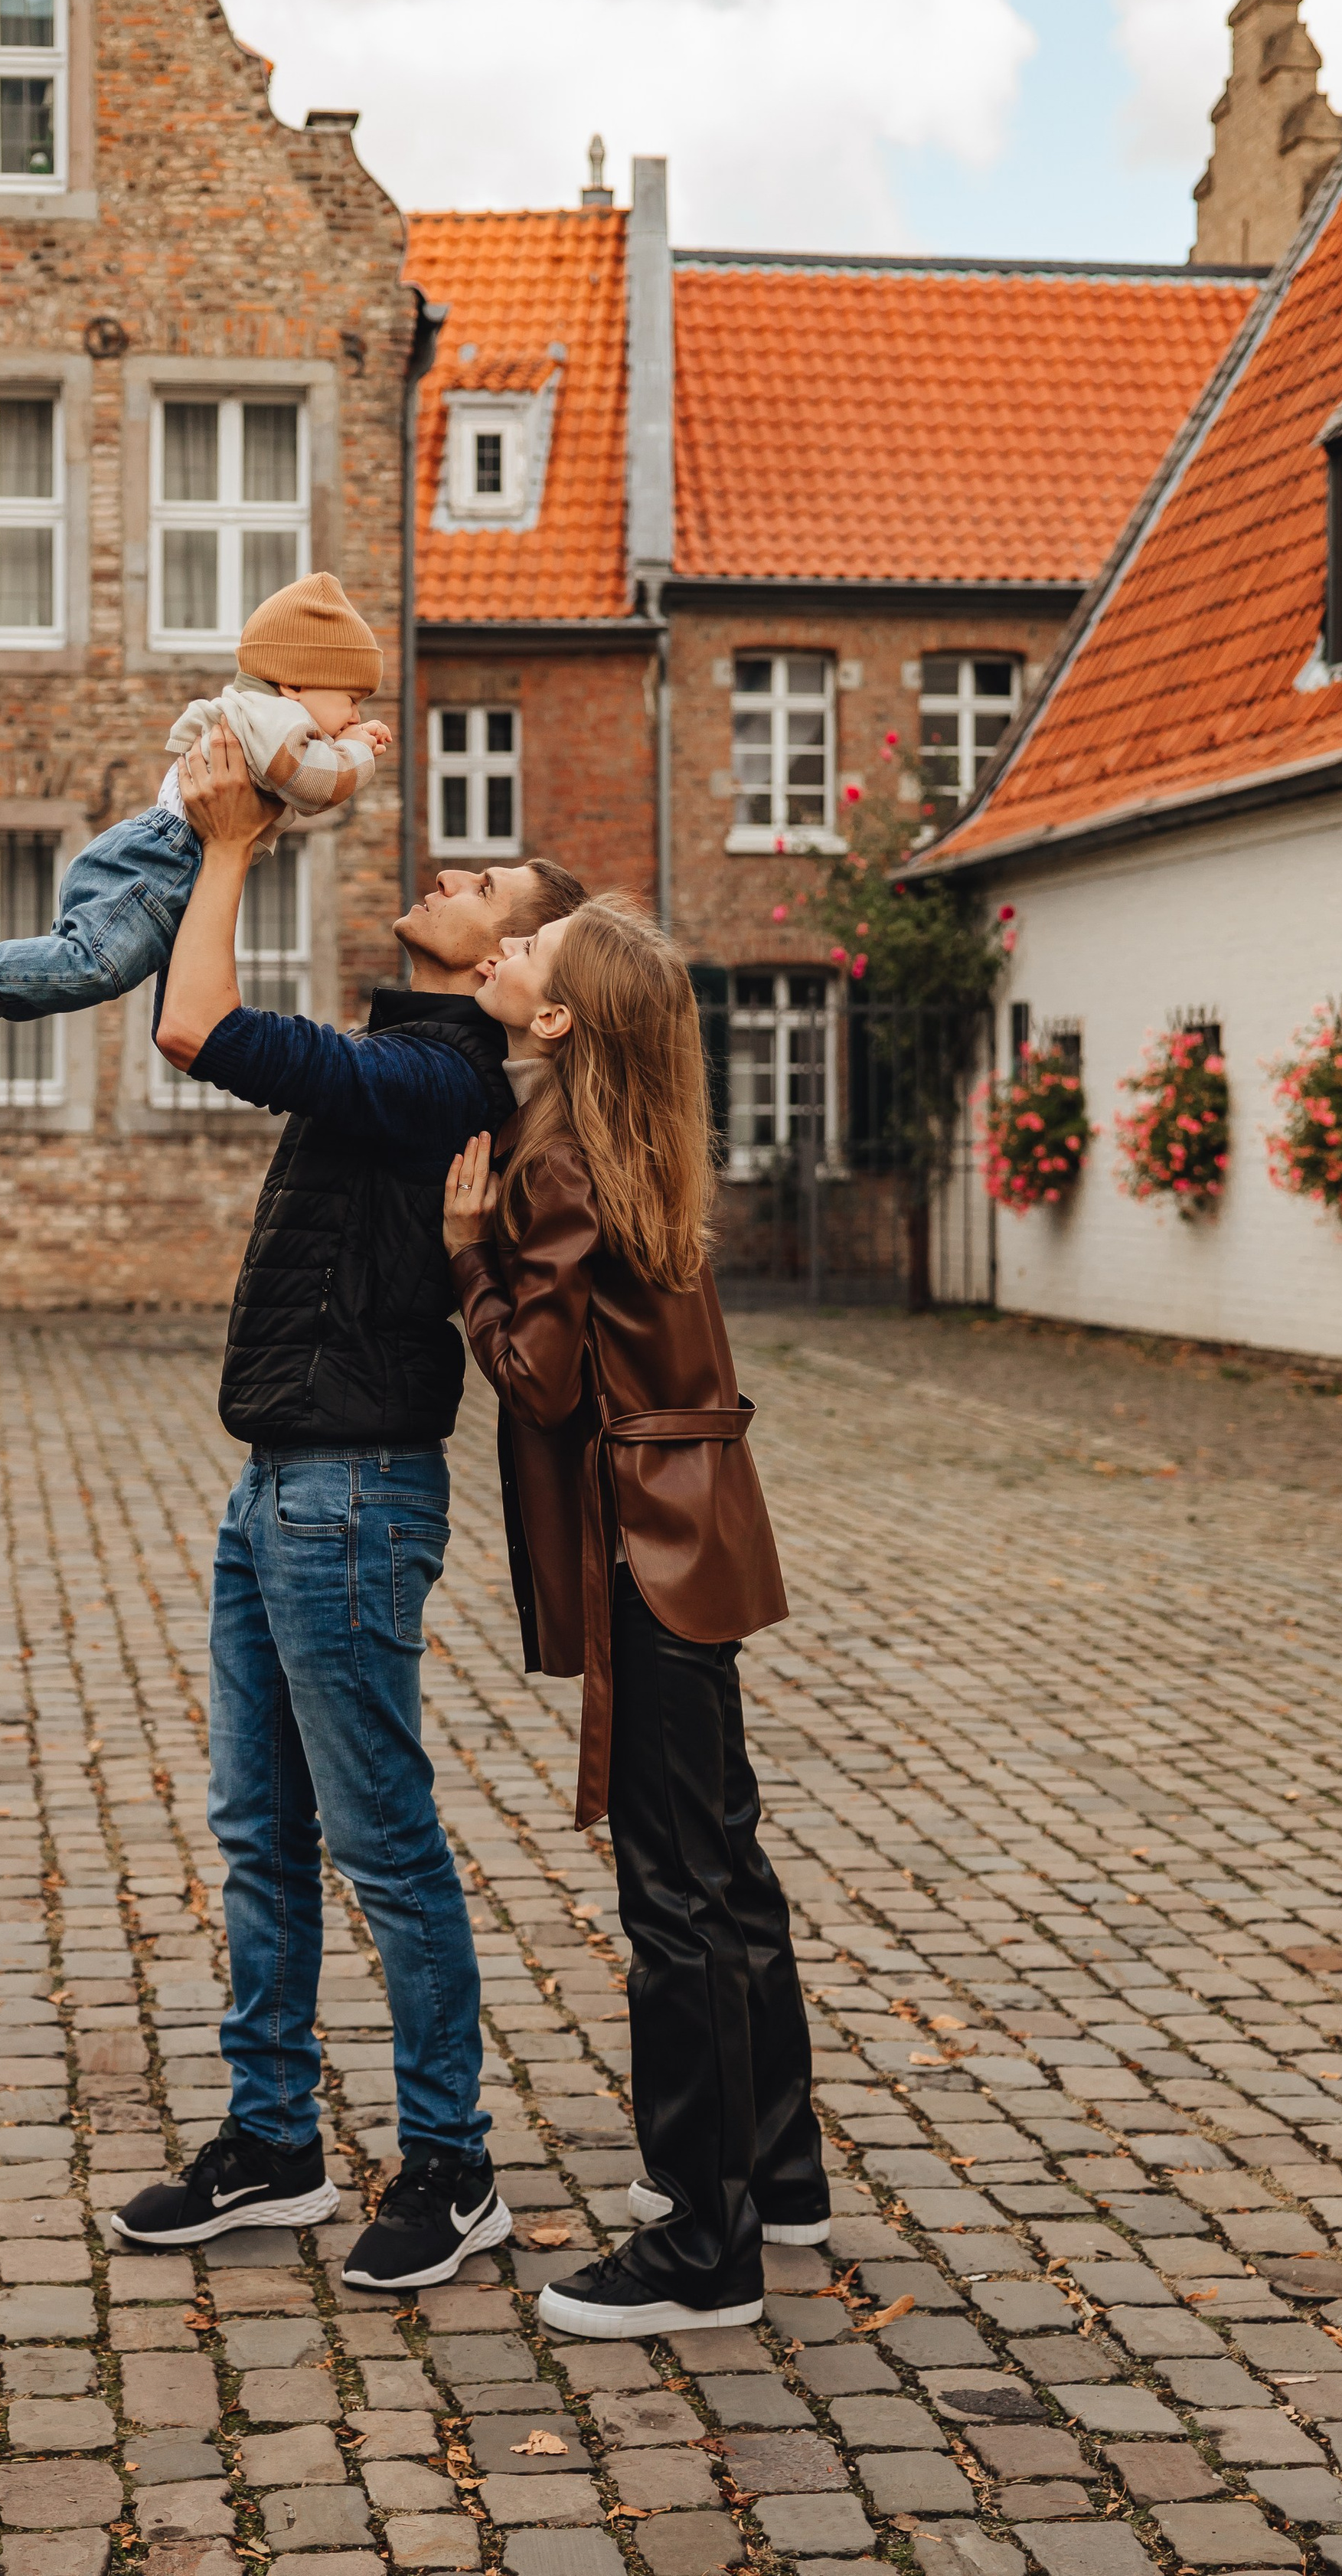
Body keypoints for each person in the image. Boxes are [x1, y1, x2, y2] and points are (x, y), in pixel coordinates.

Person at [105, 715, 588, 2294]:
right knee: (258, 1829)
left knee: (381, 1843)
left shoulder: (428, 1073)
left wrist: (234, 840)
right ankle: (273, 2145)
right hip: (279, 1485)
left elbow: (193, 1030)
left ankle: (449, 2168)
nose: (446, 872)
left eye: (484, 882)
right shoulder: (404, 1056)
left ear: (506, 955)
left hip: (354, 1494)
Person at [439, 899, 827, 2339]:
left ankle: (703, 2244)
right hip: (702, 1535)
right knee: (726, 1869)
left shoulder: (550, 1166)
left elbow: (539, 1379)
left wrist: (466, 1254)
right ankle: (774, 2178)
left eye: (538, 951)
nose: (518, 946)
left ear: (557, 1026)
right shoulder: (647, 1142)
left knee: (676, 1898)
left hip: (646, 1552)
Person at [0, 572, 392, 1087]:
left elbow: (300, 793)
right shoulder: (270, 714)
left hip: (160, 859)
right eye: (351, 698)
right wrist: (356, 751)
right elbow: (314, 783)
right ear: (293, 682)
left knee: (95, 974)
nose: (356, 714)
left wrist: (343, 741)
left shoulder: (274, 719)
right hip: (162, 859)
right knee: (96, 967)